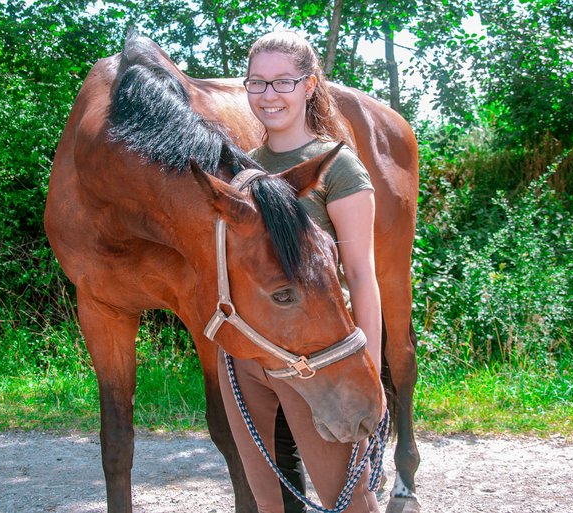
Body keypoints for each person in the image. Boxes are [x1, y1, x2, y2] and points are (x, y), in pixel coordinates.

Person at [218, 31, 383, 513]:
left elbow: (361, 276)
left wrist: (367, 372)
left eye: (283, 83)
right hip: (246, 358)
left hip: (320, 357)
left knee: (349, 498)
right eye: (257, 83)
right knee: (265, 500)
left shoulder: (339, 169)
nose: (269, 96)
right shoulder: (239, 172)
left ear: (310, 86)